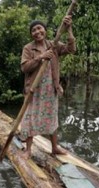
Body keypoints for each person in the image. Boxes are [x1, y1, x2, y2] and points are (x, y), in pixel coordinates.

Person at [20, 16, 76, 159]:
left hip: (51, 89)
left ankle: (54, 148)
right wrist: (41, 57)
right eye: (34, 30)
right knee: (29, 118)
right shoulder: (28, 48)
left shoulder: (53, 44)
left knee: (52, 118)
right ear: (31, 34)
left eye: (39, 28)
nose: (37, 31)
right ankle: (28, 150)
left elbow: (71, 49)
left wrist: (69, 29)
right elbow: (25, 68)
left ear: (45, 30)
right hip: (34, 90)